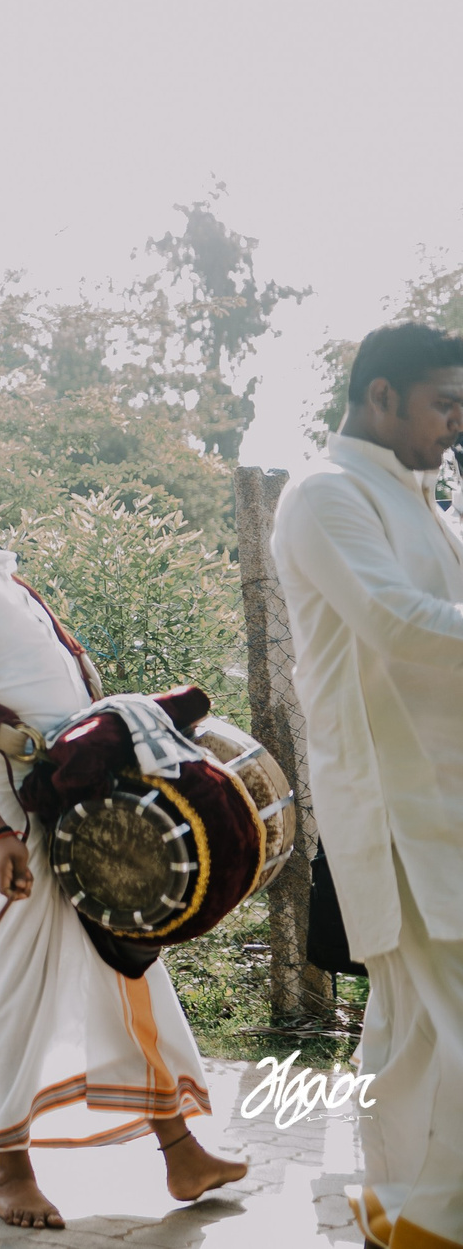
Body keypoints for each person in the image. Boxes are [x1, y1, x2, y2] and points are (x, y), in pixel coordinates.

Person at [0, 434, 244, 1228]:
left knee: (129, 961)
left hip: (69, 802)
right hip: (12, 811)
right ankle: (8, 1168)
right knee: (20, 978)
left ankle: (180, 1149)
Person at [272, 322, 463, 1249]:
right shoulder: (326, 494)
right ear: (381, 396)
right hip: (398, 810)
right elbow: (401, 623)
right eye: (444, 404)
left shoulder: (420, 498)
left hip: (445, 801)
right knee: (440, 1022)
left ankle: (400, 1217)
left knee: (417, 1030)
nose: (456, 426)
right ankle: (419, 1222)